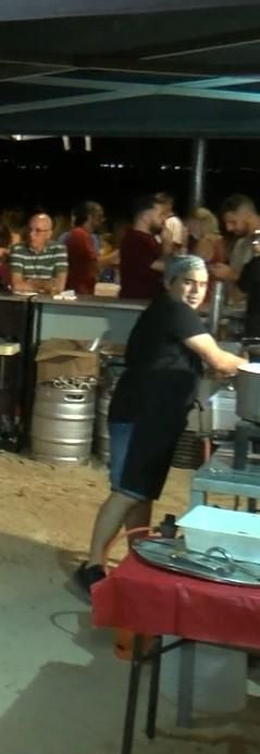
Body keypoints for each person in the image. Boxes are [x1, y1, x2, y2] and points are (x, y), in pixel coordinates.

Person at [77, 255, 243, 594]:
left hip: (155, 417)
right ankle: (93, 565)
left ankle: (133, 559)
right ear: (170, 283)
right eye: (188, 282)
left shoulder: (174, 313)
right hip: (142, 414)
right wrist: (250, 368)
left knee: (141, 494)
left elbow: (189, 361)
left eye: (202, 285)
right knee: (126, 491)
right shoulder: (173, 309)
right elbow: (217, 358)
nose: (196, 291)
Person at [8, 213, 69, 295]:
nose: (31, 234)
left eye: (38, 231)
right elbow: (17, 285)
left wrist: (31, 282)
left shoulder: (58, 250)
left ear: (48, 234)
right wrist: (46, 286)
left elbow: (59, 286)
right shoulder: (18, 249)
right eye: (29, 229)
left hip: (49, 303)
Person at [119, 195, 166, 300]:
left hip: (149, 300)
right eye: (160, 215)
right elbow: (160, 266)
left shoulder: (150, 238)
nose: (163, 219)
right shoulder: (135, 239)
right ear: (145, 216)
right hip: (136, 301)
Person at [213, 194, 260, 288]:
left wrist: (231, 274)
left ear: (248, 216)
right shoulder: (240, 244)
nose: (228, 228)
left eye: (233, 222)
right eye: (226, 223)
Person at [65, 202, 106, 296]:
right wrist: (117, 254)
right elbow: (94, 264)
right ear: (90, 217)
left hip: (82, 290)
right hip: (79, 292)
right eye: (99, 216)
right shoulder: (80, 235)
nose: (102, 220)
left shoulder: (82, 235)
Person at [155, 192, 186, 257]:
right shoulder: (157, 220)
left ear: (169, 205)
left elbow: (177, 246)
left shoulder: (174, 222)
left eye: (160, 203)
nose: (156, 206)